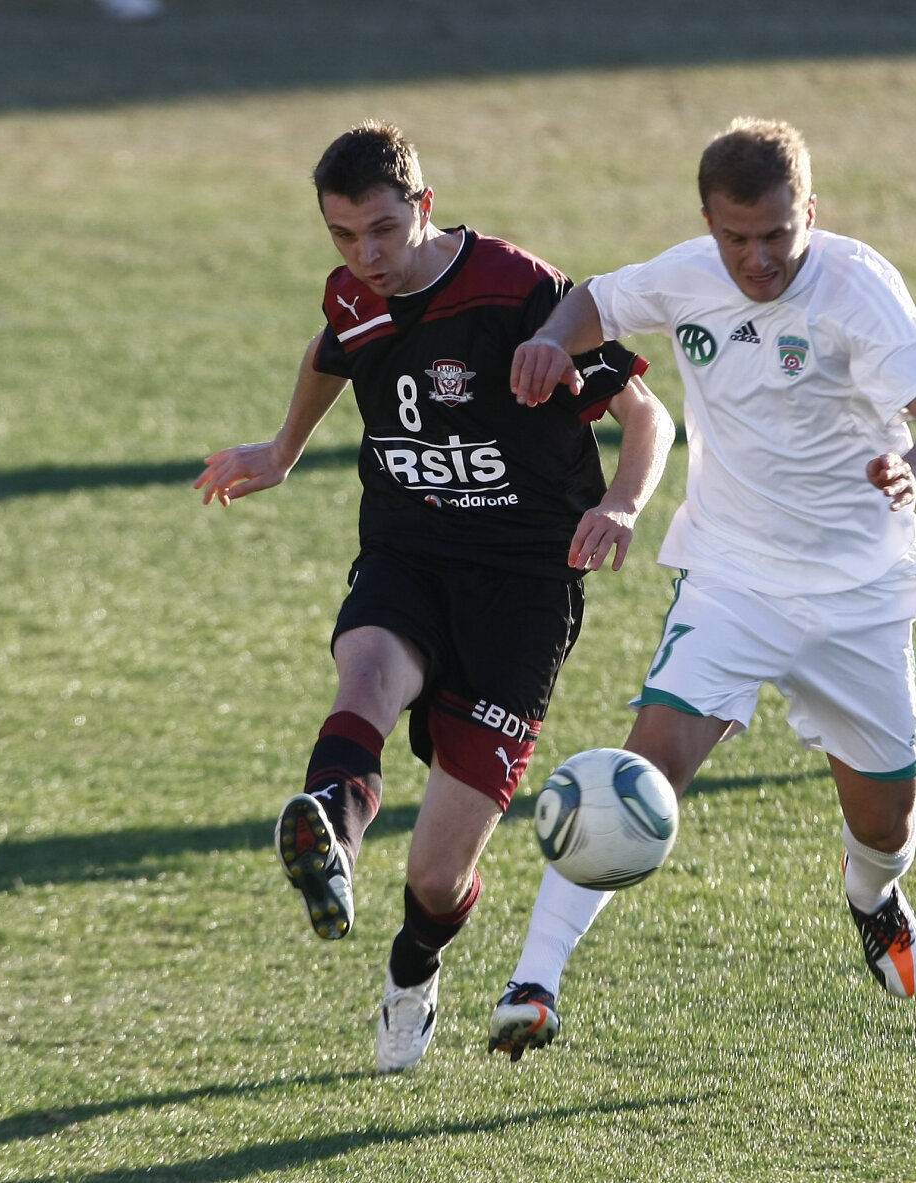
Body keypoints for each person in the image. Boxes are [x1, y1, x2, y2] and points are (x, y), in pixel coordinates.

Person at [487, 116, 916, 1060]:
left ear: (810, 212)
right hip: (732, 578)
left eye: (777, 234)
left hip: (858, 592)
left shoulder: (858, 287)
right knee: (643, 773)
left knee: (886, 822)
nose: (757, 259)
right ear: (709, 222)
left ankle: (871, 894)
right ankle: (533, 983)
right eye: (736, 237)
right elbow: (594, 300)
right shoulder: (686, 275)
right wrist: (552, 338)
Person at [195, 121, 674, 1073]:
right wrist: (281, 451)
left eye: (382, 229)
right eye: (343, 236)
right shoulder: (355, 295)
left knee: (437, 872)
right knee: (367, 672)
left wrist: (621, 504)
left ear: (424, 204)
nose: (365, 256)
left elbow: (645, 413)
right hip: (409, 545)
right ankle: (332, 831)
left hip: (525, 588)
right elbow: (331, 349)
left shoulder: (515, 290)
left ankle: (412, 970)